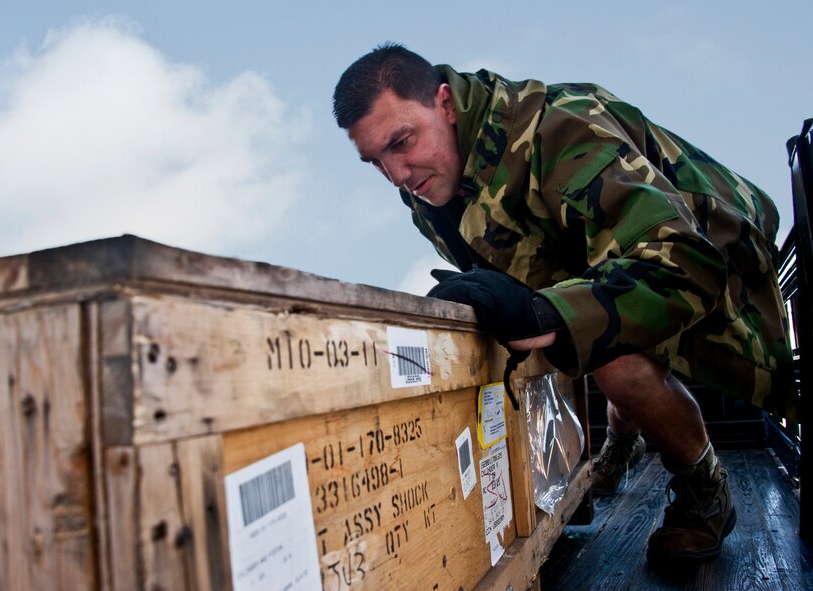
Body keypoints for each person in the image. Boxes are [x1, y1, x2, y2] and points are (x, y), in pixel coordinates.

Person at [332, 43, 798, 564]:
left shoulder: (560, 128)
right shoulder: (428, 182)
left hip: (713, 255)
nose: (396, 174)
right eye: (376, 161)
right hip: (597, 259)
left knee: (604, 345)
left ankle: (704, 487)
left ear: (445, 104)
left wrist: (548, 314)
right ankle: (620, 446)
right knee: (578, 333)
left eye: (401, 142)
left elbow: (685, 262)